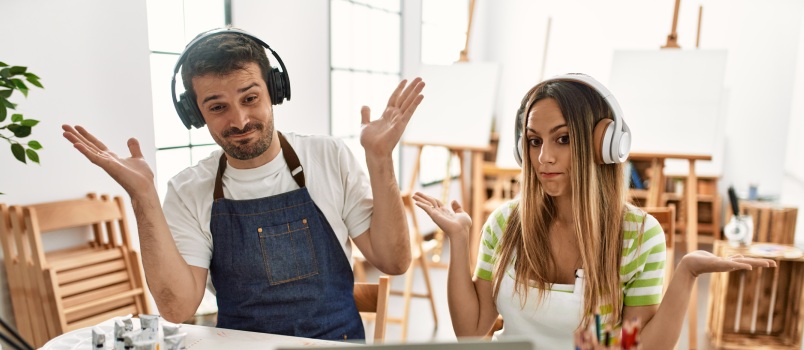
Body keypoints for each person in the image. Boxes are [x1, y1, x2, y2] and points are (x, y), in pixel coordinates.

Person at [62, 27, 423, 341]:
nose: (239, 120)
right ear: (195, 114)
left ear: (274, 91)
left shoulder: (328, 156)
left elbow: (393, 261)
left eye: (250, 98)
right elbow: (176, 308)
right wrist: (142, 197)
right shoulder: (188, 190)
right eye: (217, 107)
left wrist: (380, 159)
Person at [412, 73, 774, 349]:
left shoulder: (638, 235)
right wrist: (459, 239)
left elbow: (636, 345)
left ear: (604, 146)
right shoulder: (505, 224)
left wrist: (687, 271)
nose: (544, 157)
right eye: (534, 141)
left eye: (563, 139)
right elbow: (471, 332)